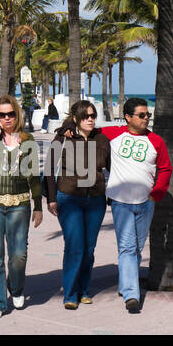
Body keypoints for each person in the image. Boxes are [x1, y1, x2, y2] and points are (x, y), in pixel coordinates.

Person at [0, 93, 43, 318]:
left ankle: (16, 288)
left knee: (18, 255)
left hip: (19, 204)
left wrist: (39, 205)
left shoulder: (28, 139)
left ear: (17, 114)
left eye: (10, 114)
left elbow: (33, 176)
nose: (6, 119)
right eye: (1, 115)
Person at [101, 97, 173, 314]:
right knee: (127, 248)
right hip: (120, 202)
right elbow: (86, 128)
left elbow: (165, 169)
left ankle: (125, 285)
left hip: (146, 203)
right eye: (141, 115)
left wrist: (156, 193)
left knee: (136, 248)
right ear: (128, 117)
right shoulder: (113, 134)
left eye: (147, 115)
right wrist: (67, 129)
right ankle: (132, 295)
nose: (146, 119)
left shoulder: (156, 141)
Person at [44, 100, 111, 309]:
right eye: (85, 116)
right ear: (76, 119)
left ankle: (83, 290)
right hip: (69, 197)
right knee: (75, 247)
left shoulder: (102, 139)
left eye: (92, 115)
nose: (90, 119)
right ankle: (70, 294)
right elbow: (48, 169)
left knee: (89, 249)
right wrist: (52, 198)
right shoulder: (63, 138)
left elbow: (110, 168)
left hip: (96, 200)